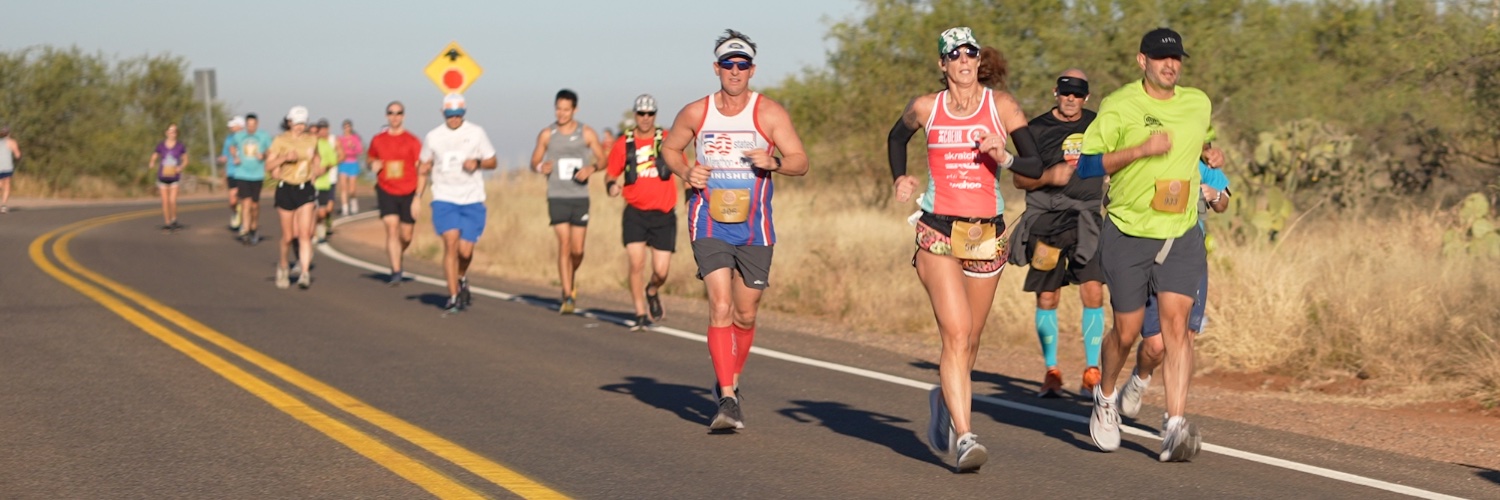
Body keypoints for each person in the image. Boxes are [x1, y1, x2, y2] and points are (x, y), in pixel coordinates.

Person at [885, 27, 1045, 472]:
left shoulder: (1002, 106)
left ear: (979, 60)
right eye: (953, 54)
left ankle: (943, 399)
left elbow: (1035, 164)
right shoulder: (926, 107)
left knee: (970, 340)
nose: (963, 60)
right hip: (937, 232)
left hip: (986, 234)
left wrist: (1006, 156)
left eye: (970, 52)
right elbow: (896, 138)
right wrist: (900, 176)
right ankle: (966, 436)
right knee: (955, 333)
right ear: (942, 64)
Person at [1078, 27, 1225, 462]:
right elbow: (1088, 164)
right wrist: (1140, 151)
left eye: (1176, 58)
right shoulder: (1120, 105)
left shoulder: (1198, 102)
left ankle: (1175, 425)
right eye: (1162, 59)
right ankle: (1105, 399)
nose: (1171, 65)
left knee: (1177, 329)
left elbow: (1199, 139)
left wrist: (1209, 155)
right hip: (1127, 232)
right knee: (1125, 332)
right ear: (1142, 61)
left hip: (1180, 233)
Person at [660, 29, 810, 433]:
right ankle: (727, 397)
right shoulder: (697, 112)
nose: (735, 70)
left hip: (755, 228)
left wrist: (774, 162)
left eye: (742, 64)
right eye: (728, 63)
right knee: (721, 305)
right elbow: (669, 149)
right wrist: (686, 170)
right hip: (707, 220)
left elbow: (800, 160)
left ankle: (730, 378)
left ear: (752, 69)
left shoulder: (769, 113)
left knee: (745, 314)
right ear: (716, 68)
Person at [1007, 70, 1107, 398]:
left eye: (1078, 94)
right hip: (1046, 224)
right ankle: (1051, 371)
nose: (1071, 99)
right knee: (1048, 296)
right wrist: (1049, 175)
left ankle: (1092, 371)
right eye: (1066, 93)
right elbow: (1020, 180)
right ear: (1056, 92)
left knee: (1093, 291)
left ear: (1086, 97)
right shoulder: (1034, 130)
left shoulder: (1100, 124)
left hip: (1087, 222)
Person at [1118, 160, 1229, 425]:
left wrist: (1213, 195)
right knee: (1156, 346)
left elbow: (1223, 201)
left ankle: (1174, 419)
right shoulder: (1146, 150)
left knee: (1185, 336)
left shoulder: (1200, 157)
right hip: (1147, 252)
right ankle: (1140, 378)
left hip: (1188, 255)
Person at [528, 89, 607, 314]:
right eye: (558, 109)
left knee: (578, 250)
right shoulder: (547, 134)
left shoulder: (586, 132)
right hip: (557, 195)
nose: (561, 113)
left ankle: (570, 276)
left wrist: (591, 168)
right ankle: (567, 294)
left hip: (579, 197)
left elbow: (603, 159)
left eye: (566, 109)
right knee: (563, 244)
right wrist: (539, 167)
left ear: (575, 109)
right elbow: (534, 161)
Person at [605, 94, 677, 330]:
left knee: (661, 271)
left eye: (650, 114)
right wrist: (611, 186)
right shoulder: (624, 143)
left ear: (655, 115)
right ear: (635, 115)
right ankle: (639, 313)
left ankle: (652, 289)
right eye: (641, 114)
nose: (645, 118)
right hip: (635, 212)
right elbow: (610, 173)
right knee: (636, 264)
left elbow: (683, 166)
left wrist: (692, 193)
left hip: (664, 213)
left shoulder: (667, 139)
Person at [419, 93, 497, 313]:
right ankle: (453, 296)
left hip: (472, 198)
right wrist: (418, 194)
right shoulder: (433, 136)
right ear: (442, 113)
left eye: (458, 115)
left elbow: (493, 160)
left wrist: (478, 163)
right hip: (444, 198)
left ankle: (461, 277)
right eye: (450, 114)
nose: (454, 119)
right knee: (450, 244)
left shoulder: (476, 133)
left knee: (465, 251)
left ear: (464, 113)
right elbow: (423, 165)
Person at [265, 106, 324, 289]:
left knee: (305, 234)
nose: (299, 126)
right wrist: (283, 159)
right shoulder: (280, 141)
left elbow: (317, 160)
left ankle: (304, 273)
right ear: (289, 122)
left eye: (302, 123)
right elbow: (268, 166)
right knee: (288, 237)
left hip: (305, 188)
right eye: (296, 123)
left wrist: (317, 169)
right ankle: (283, 265)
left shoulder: (311, 140)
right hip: (285, 188)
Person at [367, 100, 424, 286]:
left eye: (398, 113)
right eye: (391, 113)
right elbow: (371, 158)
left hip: (408, 190)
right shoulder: (378, 139)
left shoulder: (413, 141)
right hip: (386, 189)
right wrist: (372, 165)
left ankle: (399, 252)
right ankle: (396, 271)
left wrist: (418, 197)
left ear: (403, 116)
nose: (395, 116)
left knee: (406, 236)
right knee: (391, 228)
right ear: (386, 116)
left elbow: (421, 170)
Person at [230, 113, 273, 245]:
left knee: (254, 205)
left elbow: (271, 151)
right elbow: (232, 146)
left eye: (253, 125)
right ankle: (246, 230)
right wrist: (235, 156)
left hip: (257, 175)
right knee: (245, 203)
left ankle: (254, 225)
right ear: (246, 125)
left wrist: (264, 155)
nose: (251, 127)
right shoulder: (239, 136)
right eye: (248, 125)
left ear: (257, 124)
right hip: (242, 174)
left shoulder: (263, 136)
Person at [150, 124, 187, 230]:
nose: (172, 133)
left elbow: (185, 159)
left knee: (172, 200)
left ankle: (174, 219)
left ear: (176, 134)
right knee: (165, 201)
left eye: (174, 131)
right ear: (166, 133)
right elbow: (155, 154)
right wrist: (152, 162)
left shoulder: (180, 146)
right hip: (163, 176)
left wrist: (180, 167)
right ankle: (167, 222)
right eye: (170, 131)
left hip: (174, 177)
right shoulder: (161, 145)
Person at [312, 119, 341, 243]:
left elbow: (334, 160)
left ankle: (320, 225)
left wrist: (325, 168)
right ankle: (312, 233)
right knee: (311, 209)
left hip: (324, 182)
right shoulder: (307, 145)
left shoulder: (326, 144)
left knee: (323, 211)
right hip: (310, 184)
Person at [221, 116, 245, 230]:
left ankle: (245, 223)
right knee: (232, 200)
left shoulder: (247, 138)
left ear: (240, 126)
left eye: (233, 125)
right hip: (232, 172)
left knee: (246, 199)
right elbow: (225, 155)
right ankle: (236, 212)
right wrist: (223, 161)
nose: (231, 127)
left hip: (245, 173)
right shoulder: (228, 139)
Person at [337, 119, 364, 215]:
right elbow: (337, 150)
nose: (347, 129)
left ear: (351, 128)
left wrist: (353, 147)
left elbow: (360, 150)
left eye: (348, 127)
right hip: (343, 163)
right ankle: (345, 208)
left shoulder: (355, 138)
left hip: (353, 163)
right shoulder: (340, 139)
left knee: (352, 189)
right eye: (345, 127)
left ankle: (353, 203)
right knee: (343, 187)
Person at [0, 126, 20, 213]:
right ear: (9, 133)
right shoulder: (12, 142)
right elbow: (17, 155)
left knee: (1, 184)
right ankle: (3, 205)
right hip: (7, 166)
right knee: (7, 185)